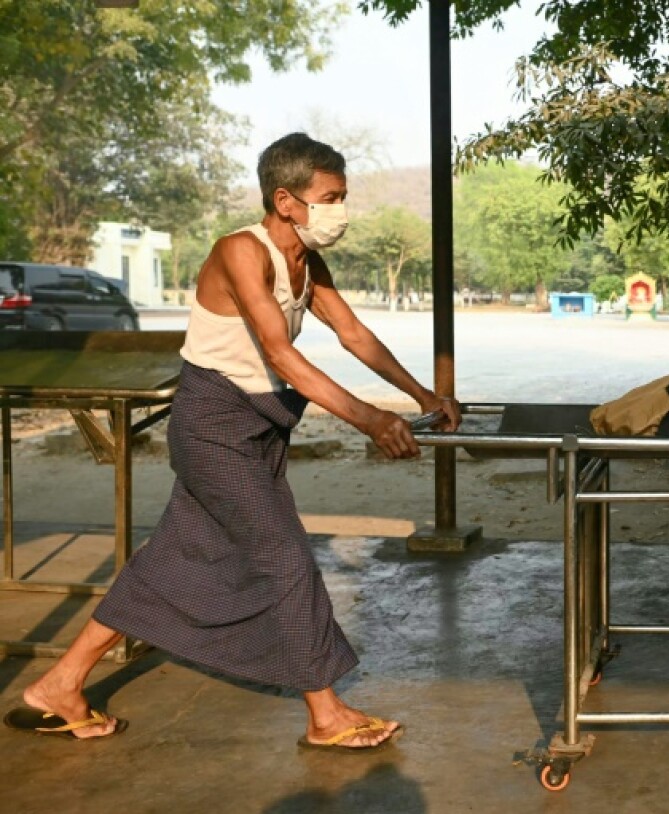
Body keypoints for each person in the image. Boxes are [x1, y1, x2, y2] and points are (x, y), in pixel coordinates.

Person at [5, 132, 460, 750]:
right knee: (287, 560)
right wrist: (370, 419)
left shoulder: (307, 261)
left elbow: (353, 333)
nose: (342, 210)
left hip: (259, 430)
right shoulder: (240, 252)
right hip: (212, 428)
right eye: (331, 197)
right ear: (286, 200)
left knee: (171, 563)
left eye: (343, 196)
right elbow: (280, 353)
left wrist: (422, 396)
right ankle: (325, 714)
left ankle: (59, 684)